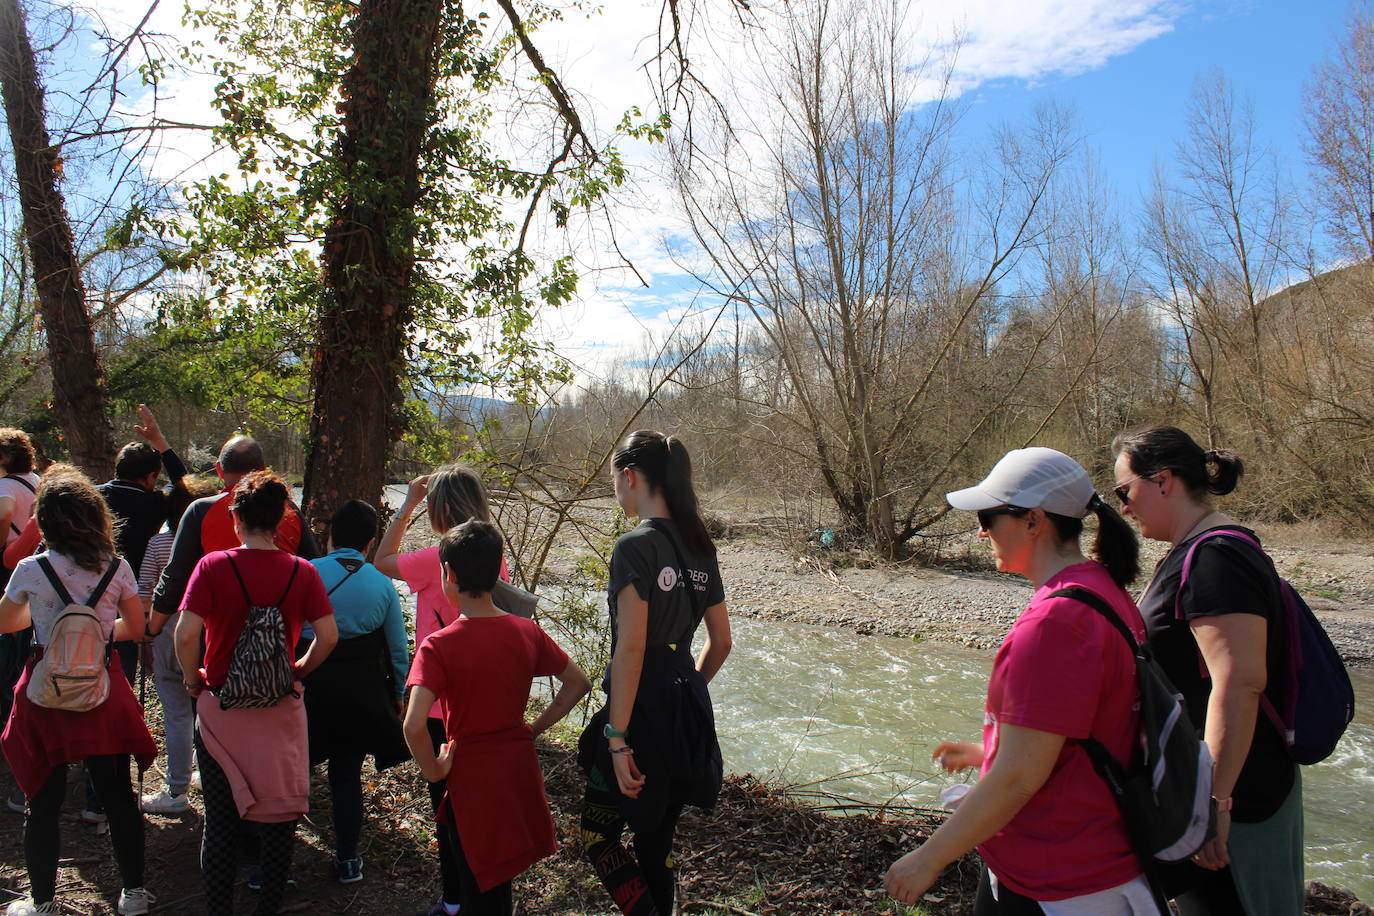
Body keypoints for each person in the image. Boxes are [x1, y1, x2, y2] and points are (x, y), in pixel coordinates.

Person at [885, 447, 1156, 914]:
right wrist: (988, 752)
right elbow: (1084, 731)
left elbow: (1018, 778)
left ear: (1034, 521)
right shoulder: (1104, 592)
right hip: (1089, 861)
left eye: (989, 518)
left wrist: (928, 859)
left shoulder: (1056, 623)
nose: (981, 531)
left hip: (1059, 878)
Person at [1112, 426, 1301, 915]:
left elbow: (1239, 684)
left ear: (1164, 481)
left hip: (1238, 799)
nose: (1124, 509)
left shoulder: (1215, 557)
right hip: (1215, 792)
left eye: (1124, 491)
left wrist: (1213, 805)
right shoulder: (1197, 550)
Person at [579, 430, 732, 916]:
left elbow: (630, 652)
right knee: (656, 840)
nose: (615, 492)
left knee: (597, 836)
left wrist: (618, 740)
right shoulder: (699, 545)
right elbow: (721, 641)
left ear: (630, 476)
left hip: (637, 711)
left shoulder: (635, 547)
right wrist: (684, 692)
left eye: (614, 482)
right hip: (682, 706)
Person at [404, 519, 590, 915]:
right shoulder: (527, 632)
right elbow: (578, 683)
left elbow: (414, 723)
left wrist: (433, 769)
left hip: (470, 776)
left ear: (449, 575)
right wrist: (534, 729)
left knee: (475, 881)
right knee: (499, 881)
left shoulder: (438, 645)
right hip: (514, 770)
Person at [174, 470, 338, 916]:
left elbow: (186, 635)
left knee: (222, 823)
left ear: (236, 518)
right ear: (282, 519)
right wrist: (299, 668)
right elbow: (328, 635)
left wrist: (194, 680)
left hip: (222, 708)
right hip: (280, 711)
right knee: (279, 821)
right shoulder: (302, 571)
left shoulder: (213, 566)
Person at [0, 466, 157, 916]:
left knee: (42, 798)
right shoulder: (118, 567)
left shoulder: (31, 569)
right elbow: (137, 627)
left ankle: (43, 900)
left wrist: (51, 621)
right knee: (117, 795)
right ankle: (133, 893)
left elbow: (6, 623)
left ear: (45, 521)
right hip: (101, 688)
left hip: (45, 692)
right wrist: (97, 628)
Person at [374, 464, 507, 916]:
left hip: (438, 708)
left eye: (431, 505)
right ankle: (482, 897)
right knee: (481, 813)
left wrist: (405, 506)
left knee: (447, 809)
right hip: (484, 705)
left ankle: (455, 902)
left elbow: (381, 562)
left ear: (442, 508)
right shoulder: (493, 554)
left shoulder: (438, 559)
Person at [303, 498, 411, 884]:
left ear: (329, 536)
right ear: (369, 543)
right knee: (346, 773)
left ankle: (276, 862)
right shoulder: (381, 585)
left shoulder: (306, 573)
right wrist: (398, 693)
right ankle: (347, 858)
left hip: (308, 687)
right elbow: (398, 649)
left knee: (293, 770)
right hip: (358, 693)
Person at [147, 435, 319, 641]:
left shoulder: (201, 511)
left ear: (219, 469)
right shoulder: (289, 511)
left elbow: (175, 578)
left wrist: (152, 629)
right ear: (263, 469)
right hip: (278, 643)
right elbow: (315, 571)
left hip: (218, 638)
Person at [136, 476, 219, 815]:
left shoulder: (158, 545)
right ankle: (205, 774)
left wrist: (147, 635)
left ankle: (176, 789)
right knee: (206, 712)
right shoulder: (213, 543)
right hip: (208, 633)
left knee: (176, 714)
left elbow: (145, 593)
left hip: (169, 631)